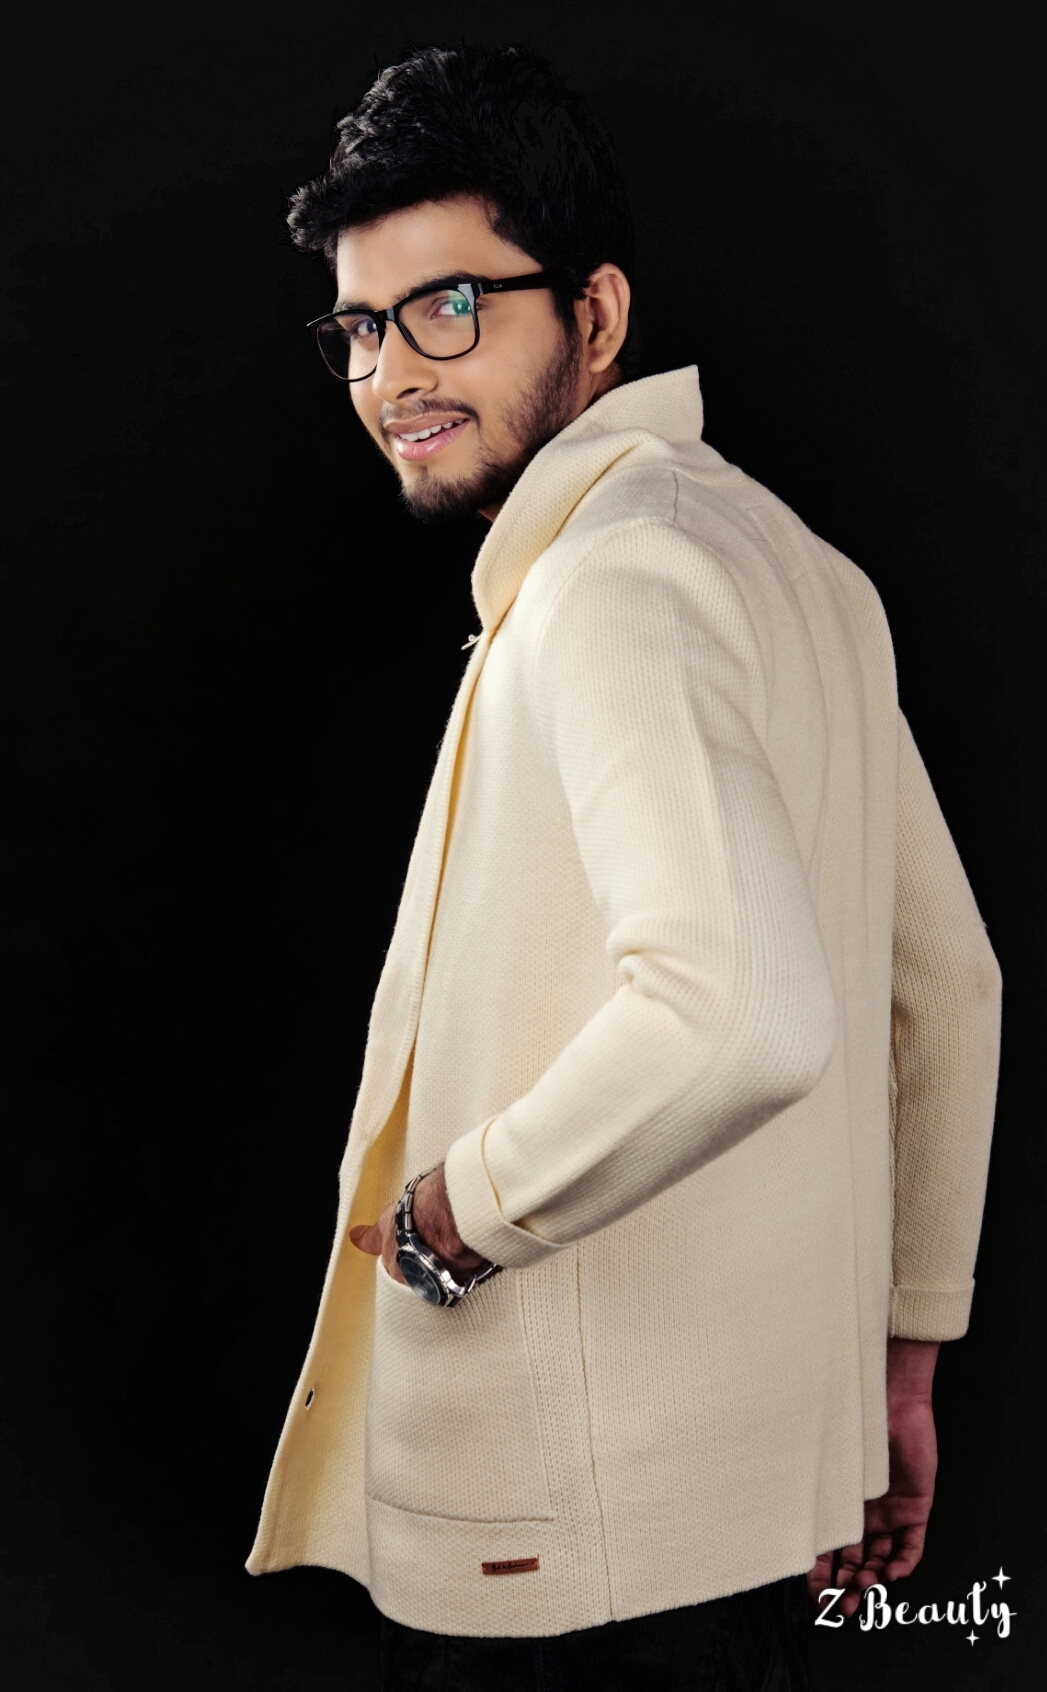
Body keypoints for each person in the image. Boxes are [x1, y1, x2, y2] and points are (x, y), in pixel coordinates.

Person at [247, 44, 1002, 1692]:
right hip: (769, 1496)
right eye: (360, 328)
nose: (391, 374)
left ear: (594, 315)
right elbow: (946, 986)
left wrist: (456, 1215)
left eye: (450, 308)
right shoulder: (798, 565)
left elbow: (739, 1013)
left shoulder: (612, 577)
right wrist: (902, 1369)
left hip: (589, 1551)